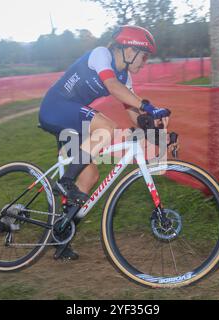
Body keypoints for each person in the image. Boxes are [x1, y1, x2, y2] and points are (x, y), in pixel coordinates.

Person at [38, 26, 173, 260]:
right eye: (144, 56)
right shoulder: (102, 55)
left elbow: (133, 111)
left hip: (72, 120)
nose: (145, 62)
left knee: (89, 176)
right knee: (107, 127)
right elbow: (113, 87)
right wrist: (148, 106)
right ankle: (65, 181)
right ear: (129, 50)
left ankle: (60, 236)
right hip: (55, 107)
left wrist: (155, 129)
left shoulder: (125, 77)